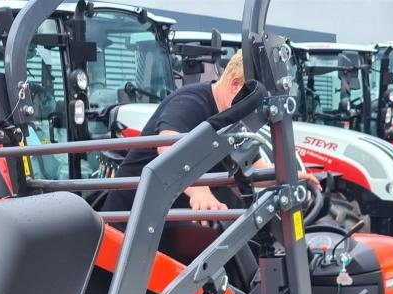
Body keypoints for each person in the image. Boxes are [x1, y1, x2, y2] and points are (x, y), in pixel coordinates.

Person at [102, 51, 317, 214]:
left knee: (245, 226)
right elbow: (167, 145)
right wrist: (199, 191)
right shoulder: (191, 102)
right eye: (255, 105)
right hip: (135, 216)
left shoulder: (232, 119)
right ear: (235, 85)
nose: (255, 115)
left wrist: (287, 174)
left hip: (169, 208)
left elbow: (254, 170)